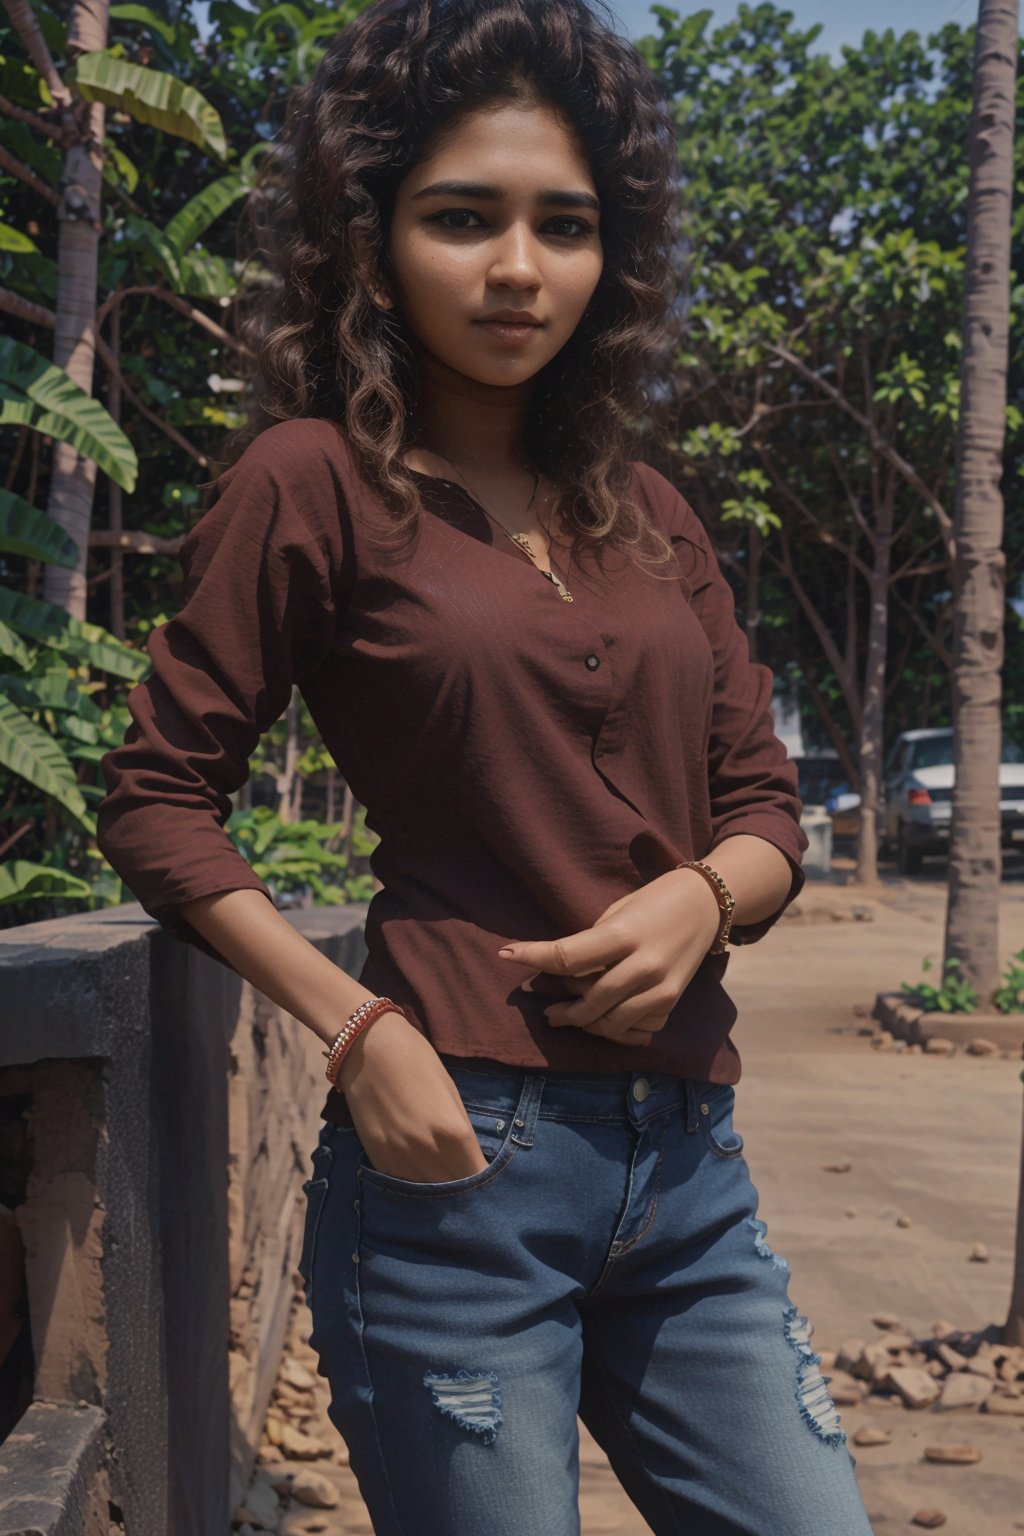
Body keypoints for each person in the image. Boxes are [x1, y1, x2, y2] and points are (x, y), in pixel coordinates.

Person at [95, 2, 875, 1531]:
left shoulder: (649, 507)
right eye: (465, 217)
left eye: (564, 226)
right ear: (371, 239)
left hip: (688, 1180)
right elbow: (158, 799)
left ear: (612, 256)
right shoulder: (309, 485)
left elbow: (765, 798)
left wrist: (708, 901)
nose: (520, 268)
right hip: (454, 1167)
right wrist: (357, 1027)